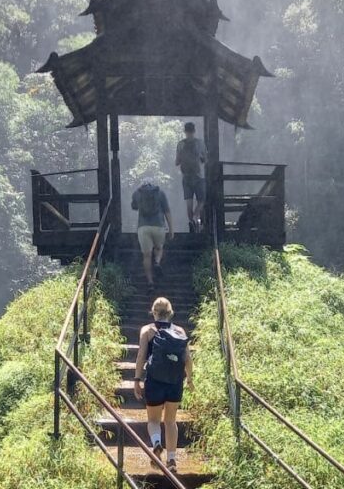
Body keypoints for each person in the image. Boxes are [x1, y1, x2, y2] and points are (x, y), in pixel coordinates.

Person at [134, 297, 193, 473]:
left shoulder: (147, 330)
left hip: (154, 382)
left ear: (153, 312)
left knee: (153, 420)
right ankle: (172, 459)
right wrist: (189, 379)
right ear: (171, 312)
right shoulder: (180, 331)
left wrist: (137, 379)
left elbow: (140, 356)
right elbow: (188, 360)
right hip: (175, 382)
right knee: (170, 421)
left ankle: (157, 443)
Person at [131, 180, 173, 289]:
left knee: (146, 255)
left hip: (143, 227)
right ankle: (157, 262)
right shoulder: (160, 193)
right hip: (159, 226)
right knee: (159, 248)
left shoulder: (137, 193)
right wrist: (171, 229)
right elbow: (167, 212)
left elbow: (134, 207)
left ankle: (150, 282)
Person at [175, 122, 207, 234]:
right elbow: (205, 160)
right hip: (198, 176)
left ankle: (191, 222)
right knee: (202, 200)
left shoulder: (180, 144)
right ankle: (195, 218)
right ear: (194, 131)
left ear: (185, 131)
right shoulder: (200, 143)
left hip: (186, 177)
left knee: (189, 203)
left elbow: (177, 162)